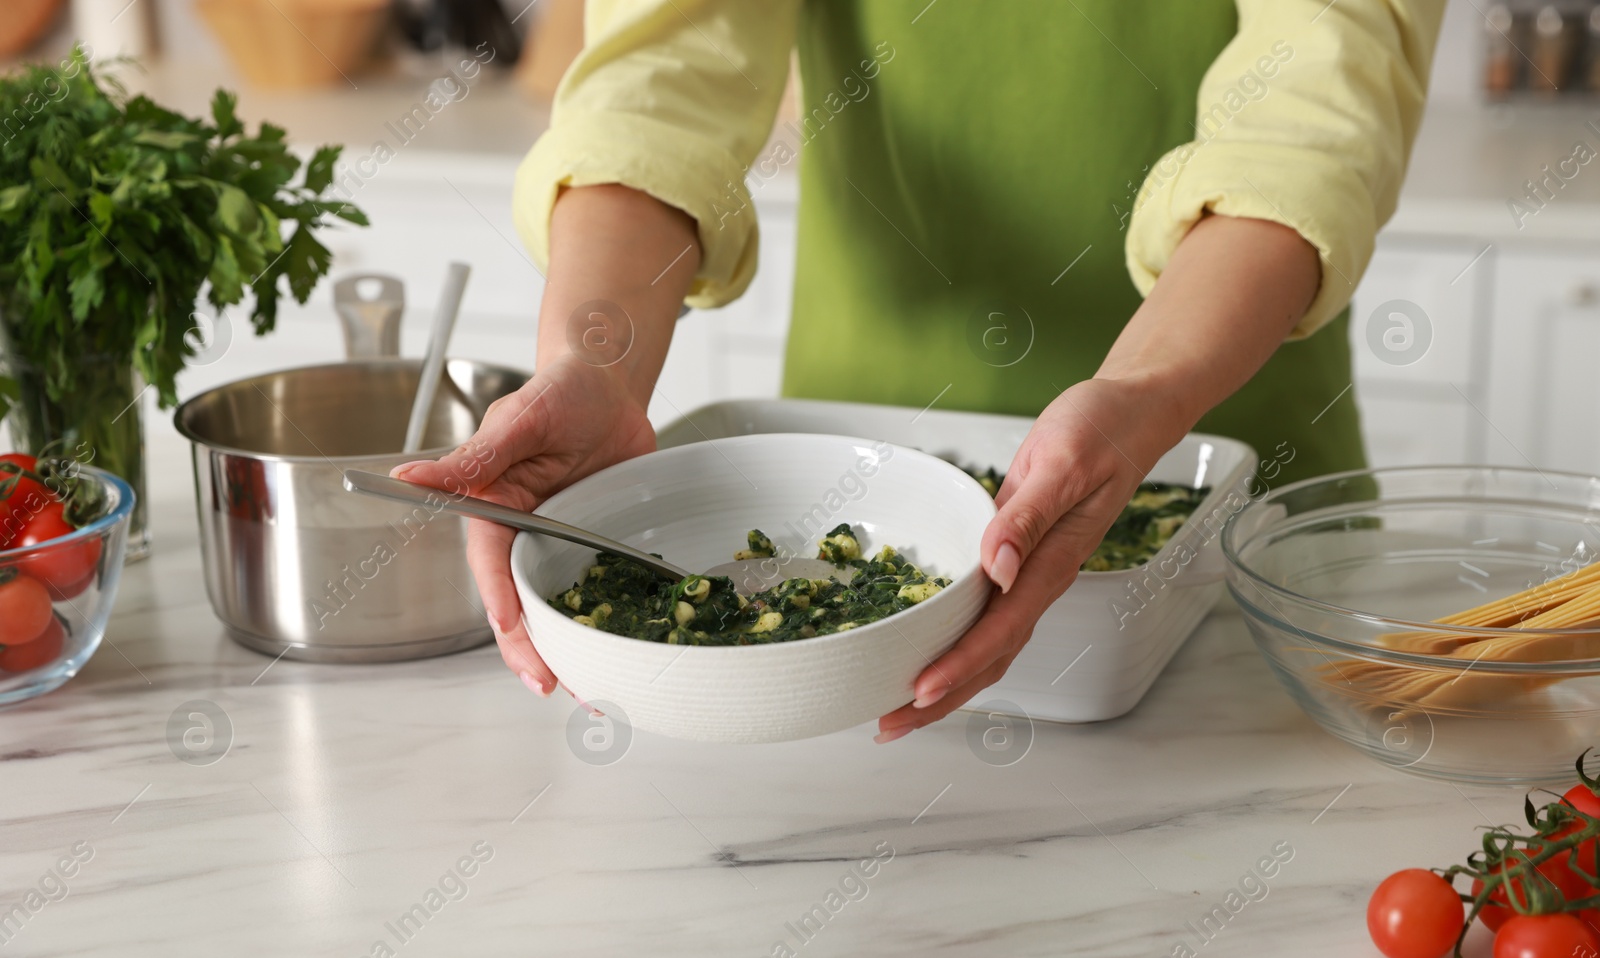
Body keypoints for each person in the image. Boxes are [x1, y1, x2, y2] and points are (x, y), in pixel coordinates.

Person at [394, 0, 1445, 742]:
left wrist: (1143, 397)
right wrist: (595, 367)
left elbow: (1308, 124)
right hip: (846, 481)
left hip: (1218, 473)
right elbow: (655, 91)